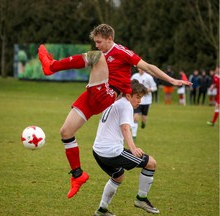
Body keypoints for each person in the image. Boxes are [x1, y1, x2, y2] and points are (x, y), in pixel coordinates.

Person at [38, 23, 191, 199]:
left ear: (110, 39)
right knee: (66, 132)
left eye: (99, 41)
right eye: (95, 41)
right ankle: (78, 175)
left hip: (108, 94)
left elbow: (148, 67)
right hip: (92, 94)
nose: (97, 45)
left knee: (96, 57)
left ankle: (52, 66)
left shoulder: (123, 52)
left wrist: (172, 80)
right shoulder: (102, 53)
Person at [93, 80, 159, 216]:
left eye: (141, 97)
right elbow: (125, 128)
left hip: (97, 151)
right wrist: (133, 148)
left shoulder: (114, 102)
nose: (140, 101)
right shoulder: (125, 105)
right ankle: (141, 199)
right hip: (111, 152)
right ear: (128, 95)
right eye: (138, 97)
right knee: (151, 163)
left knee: (118, 176)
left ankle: (102, 210)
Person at [131, 68, 157, 140]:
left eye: (142, 68)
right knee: (135, 117)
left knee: (144, 118)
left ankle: (143, 123)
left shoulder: (149, 77)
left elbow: (155, 87)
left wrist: (148, 90)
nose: (141, 69)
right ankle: (134, 135)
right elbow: (130, 85)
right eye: (139, 68)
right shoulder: (134, 76)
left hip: (147, 101)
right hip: (137, 100)